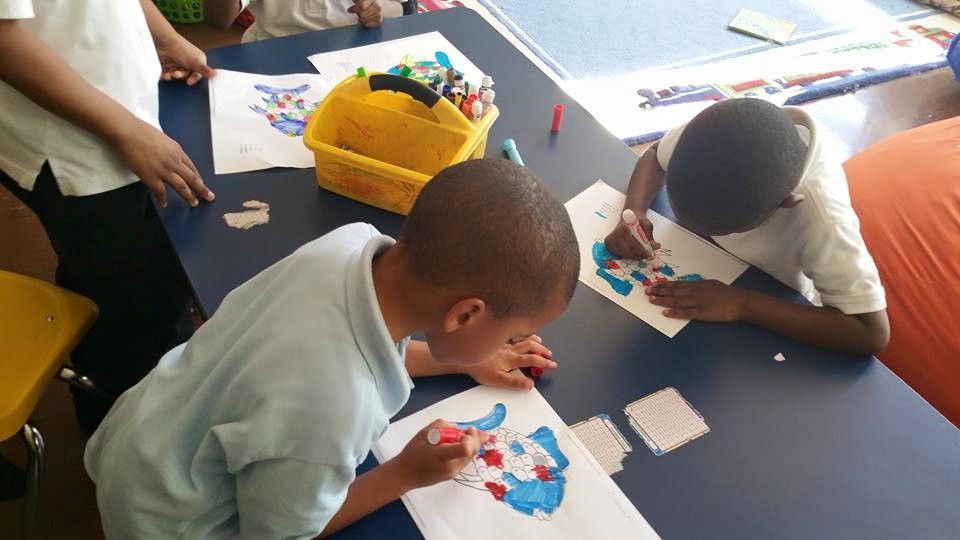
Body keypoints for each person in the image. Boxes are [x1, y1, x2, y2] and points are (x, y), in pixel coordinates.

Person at [84, 158, 580, 539]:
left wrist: (467, 362)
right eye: (511, 333)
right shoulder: (335, 409)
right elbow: (285, 533)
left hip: (141, 435)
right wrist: (405, 472)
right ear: (466, 315)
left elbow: (355, 339)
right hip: (168, 521)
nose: (511, 345)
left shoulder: (356, 245)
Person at [0, 0, 216, 432]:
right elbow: (5, 40)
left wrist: (166, 37)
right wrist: (126, 130)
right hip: (77, 144)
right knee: (139, 307)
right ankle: (130, 440)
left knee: (121, 284)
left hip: (117, 115)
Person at [605, 98, 889, 355]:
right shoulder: (713, 133)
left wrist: (743, 304)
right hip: (709, 268)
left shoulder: (824, 222)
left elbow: (871, 333)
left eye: (723, 228)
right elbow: (656, 154)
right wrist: (634, 210)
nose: (706, 233)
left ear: (785, 203)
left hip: (771, 291)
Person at [205, 0, 405, 43]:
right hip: (274, 48)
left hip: (351, 50)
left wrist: (378, 10)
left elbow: (399, 8)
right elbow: (219, 19)